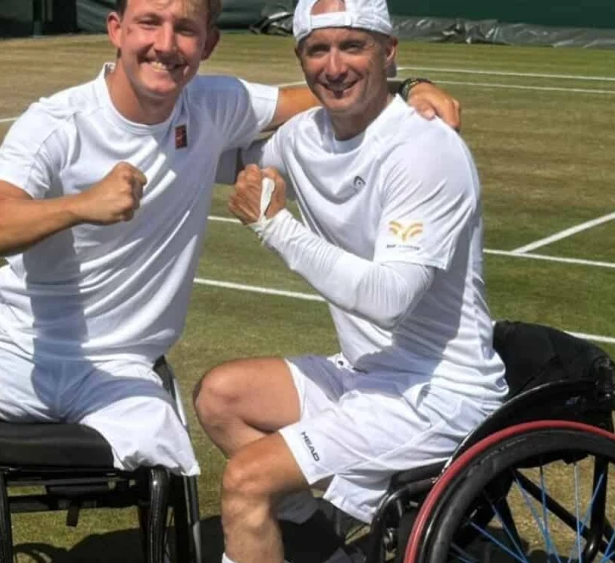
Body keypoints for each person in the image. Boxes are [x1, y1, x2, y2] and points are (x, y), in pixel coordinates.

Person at [0, 0, 460, 479]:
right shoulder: (54, 123)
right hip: (19, 357)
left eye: (185, 29)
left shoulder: (215, 104)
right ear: (116, 29)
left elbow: (324, 89)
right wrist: (81, 205)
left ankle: (323, 519)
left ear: (209, 43)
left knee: (166, 455)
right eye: (149, 23)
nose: (165, 44)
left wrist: (411, 87)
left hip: (123, 373)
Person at [191, 1, 509, 561]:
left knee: (248, 480)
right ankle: (323, 545)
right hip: (368, 375)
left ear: (388, 52)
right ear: (301, 59)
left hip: (439, 395)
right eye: (318, 50)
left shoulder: (426, 149)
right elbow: (198, 149)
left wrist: (274, 226)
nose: (334, 67)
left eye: (352, 46)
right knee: (221, 397)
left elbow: (390, 300)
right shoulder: (301, 137)